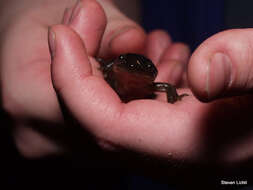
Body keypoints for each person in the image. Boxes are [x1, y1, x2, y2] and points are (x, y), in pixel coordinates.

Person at [1, 0, 253, 187]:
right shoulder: (117, 68)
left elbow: (165, 86)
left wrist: (174, 98)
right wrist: (22, 9)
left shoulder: (153, 82)